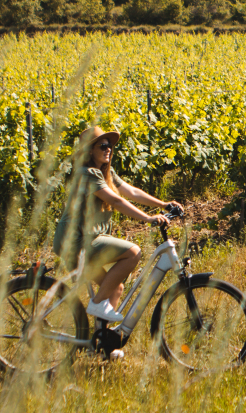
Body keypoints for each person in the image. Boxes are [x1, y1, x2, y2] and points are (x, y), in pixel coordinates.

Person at [52, 125, 178, 325]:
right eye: (102, 145)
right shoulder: (87, 174)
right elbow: (117, 201)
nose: (108, 149)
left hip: (86, 240)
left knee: (116, 288)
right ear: (89, 150)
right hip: (76, 241)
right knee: (133, 252)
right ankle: (97, 303)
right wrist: (148, 218)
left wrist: (162, 204)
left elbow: (131, 192)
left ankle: (103, 343)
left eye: (109, 145)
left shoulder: (105, 172)